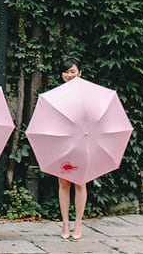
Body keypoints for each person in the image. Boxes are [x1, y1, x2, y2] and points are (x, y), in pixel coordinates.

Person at [57, 57, 86, 241]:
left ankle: (78, 224)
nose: (69, 75)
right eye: (66, 72)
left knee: (80, 182)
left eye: (73, 71)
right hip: (62, 142)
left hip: (82, 141)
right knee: (63, 182)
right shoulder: (56, 95)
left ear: (80, 73)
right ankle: (65, 224)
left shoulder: (87, 94)